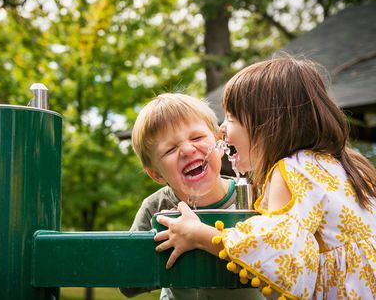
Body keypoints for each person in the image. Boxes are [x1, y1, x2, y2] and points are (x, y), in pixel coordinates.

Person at [154, 56, 376, 299]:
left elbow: (276, 251)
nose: (221, 130)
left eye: (230, 118)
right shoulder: (340, 164)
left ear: (267, 125)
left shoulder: (291, 171)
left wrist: (198, 235)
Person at [120, 93, 264, 299]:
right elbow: (128, 283)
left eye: (196, 138)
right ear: (157, 174)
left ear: (219, 142)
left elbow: (279, 263)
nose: (187, 150)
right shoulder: (157, 208)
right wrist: (159, 248)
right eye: (170, 149)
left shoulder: (256, 195)